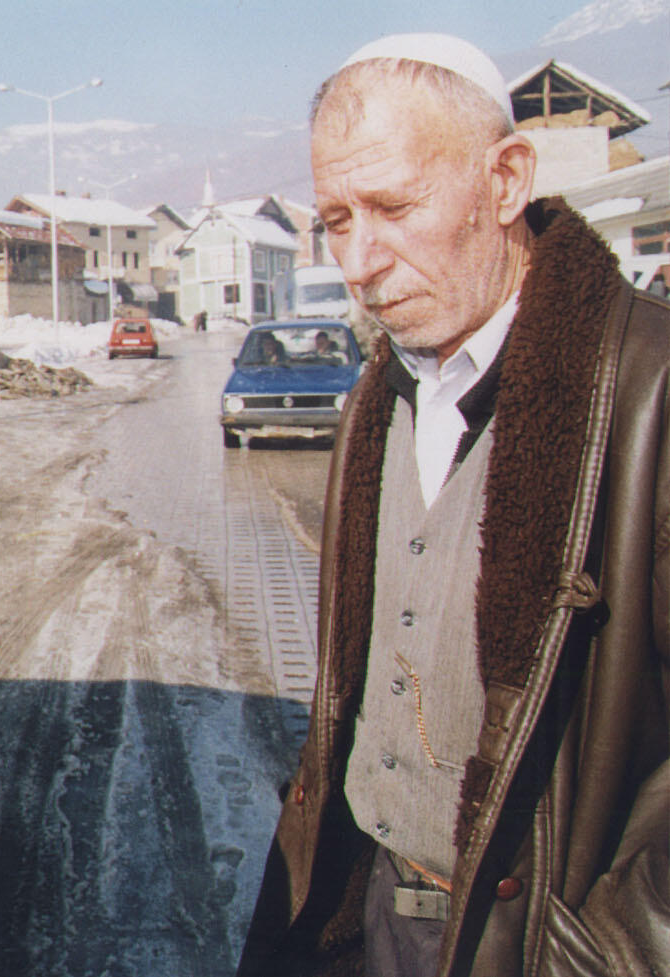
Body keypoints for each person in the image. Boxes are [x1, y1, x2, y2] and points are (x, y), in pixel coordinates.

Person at [236, 33, 670, 977]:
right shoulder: (381, 394)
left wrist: (618, 947)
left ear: (507, 180)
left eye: (392, 207)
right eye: (336, 219)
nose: (358, 259)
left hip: (542, 942)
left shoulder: (650, 393)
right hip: (374, 910)